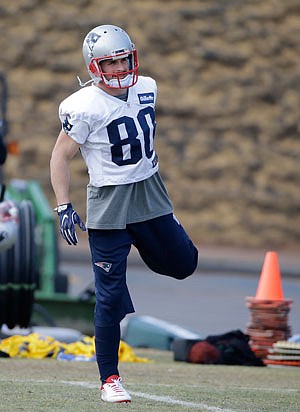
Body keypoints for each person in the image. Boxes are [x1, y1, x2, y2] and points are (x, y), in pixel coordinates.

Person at [50, 24, 198, 403]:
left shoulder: (147, 86)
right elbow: (60, 156)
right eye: (109, 63)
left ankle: (149, 244)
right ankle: (110, 380)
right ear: (94, 67)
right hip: (109, 204)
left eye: (123, 60)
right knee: (109, 297)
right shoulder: (82, 105)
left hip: (150, 194)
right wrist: (64, 205)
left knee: (185, 264)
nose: (118, 69)